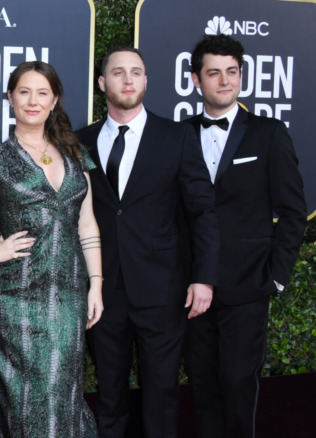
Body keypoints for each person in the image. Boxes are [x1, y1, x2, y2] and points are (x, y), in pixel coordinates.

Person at [0, 61, 104, 436]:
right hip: (16, 296)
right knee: (27, 397)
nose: (33, 100)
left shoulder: (76, 155)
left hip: (70, 294)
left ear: (54, 99)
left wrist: (97, 283)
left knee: (63, 392)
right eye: (24, 92)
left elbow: (87, 223)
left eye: (42, 93)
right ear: (9, 98)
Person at [75, 47, 220, 438]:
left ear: (145, 82)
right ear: (103, 83)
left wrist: (204, 277)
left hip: (163, 288)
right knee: (109, 394)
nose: (127, 79)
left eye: (136, 72)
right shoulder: (79, 141)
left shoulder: (177, 137)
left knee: (161, 393)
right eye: (118, 73)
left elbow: (202, 211)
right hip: (102, 290)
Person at [183, 35, 307, 438]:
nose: (224, 81)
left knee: (238, 385)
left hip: (248, 285)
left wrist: (276, 277)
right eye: (213, 72)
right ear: (196, 80)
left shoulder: (268, 133)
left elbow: (292, 212)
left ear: (241, 77)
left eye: (231, 72)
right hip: (189, 286)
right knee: (202, 388)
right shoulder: (177, 134)